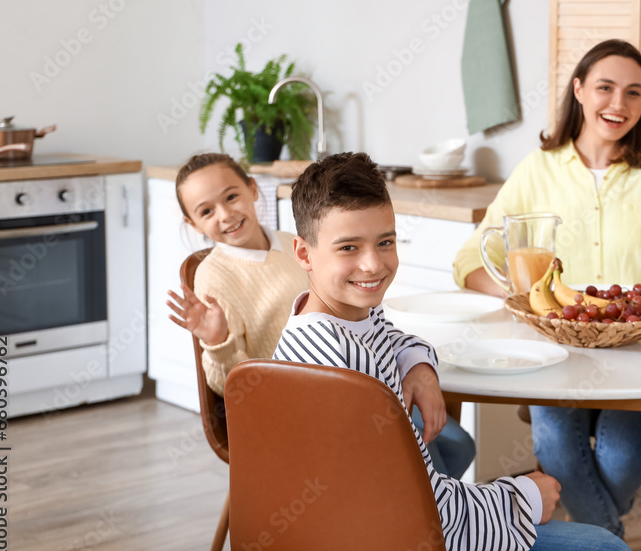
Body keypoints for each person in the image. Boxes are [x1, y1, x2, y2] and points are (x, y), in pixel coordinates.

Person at [273, 152, 634, 551]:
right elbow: (425, 518)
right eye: (348, 247)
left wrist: (416, 362)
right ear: (303, 252)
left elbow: (383, 334)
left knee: (453, 444)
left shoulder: (333, 321)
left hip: (365, 528)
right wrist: (524, 497)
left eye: (385, 242)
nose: (373, 264)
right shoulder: (345, 367)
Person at [453, 39, 641, 537]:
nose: (618, 105)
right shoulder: (539, 169)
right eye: (605, 88)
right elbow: (470, 258)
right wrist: (521, 295)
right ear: (579, 90)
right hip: (556, 354)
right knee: (555, 444)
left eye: (633, 93)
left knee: (620, 455)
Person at [166, 152, 475, 479]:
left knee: (458, 444)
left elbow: (370, 324)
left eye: (231, 196)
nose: (225, 214)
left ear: (253, 189)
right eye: (207, 211)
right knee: (424, 469)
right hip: (298, 408)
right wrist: (217, 342)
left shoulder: (292, 243)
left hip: (361, 384)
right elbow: (238, 385)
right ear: (192, 223)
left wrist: (416, 362)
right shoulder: (214, 278)